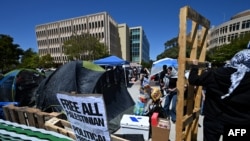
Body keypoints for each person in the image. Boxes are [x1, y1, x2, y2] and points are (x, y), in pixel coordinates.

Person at [188, 49, 250, 141]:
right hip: (239, 123)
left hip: (214, 119)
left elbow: (193, 80)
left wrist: (194, 67)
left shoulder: (215, 73)